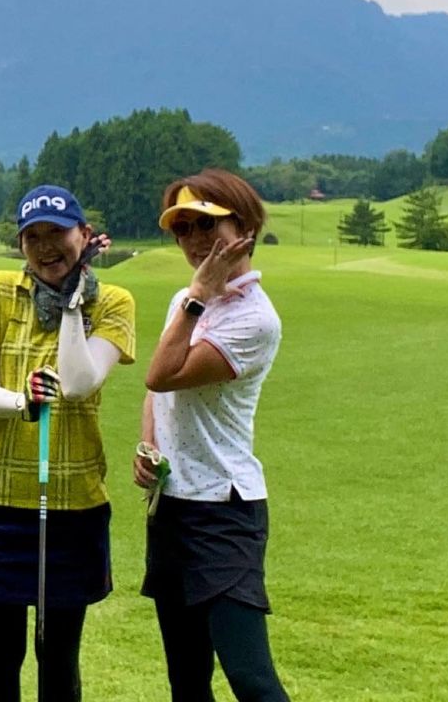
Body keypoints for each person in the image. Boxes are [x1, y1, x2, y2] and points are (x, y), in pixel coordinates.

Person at [0, 185, 136, 702]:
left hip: (72, 501)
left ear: (83, 234)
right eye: (32, 236)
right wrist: (24, 404)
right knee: (2, 653)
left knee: (58, 654)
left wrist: (76, 304)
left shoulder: (114, 301)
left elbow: (80, 382)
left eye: (56, 233)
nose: (45, 246)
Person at [136, 169, 291, 702]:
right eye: (182, 230)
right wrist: (149, 445)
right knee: (186, 677)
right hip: (173, 508)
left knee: (250, 678)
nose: (195, 240)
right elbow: (157, 390)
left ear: (243, 227)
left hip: (224, 511)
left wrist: (198, 294)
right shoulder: (187, 300)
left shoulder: (254, 320)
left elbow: (161, 373)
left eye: (207, 225)